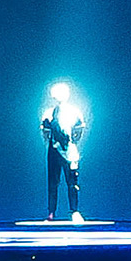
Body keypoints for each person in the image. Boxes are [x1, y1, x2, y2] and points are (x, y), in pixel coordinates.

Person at [41, 82, 87, 222]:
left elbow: (80, 128)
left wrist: (72, 142)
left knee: (72, 181)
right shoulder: (49, 113)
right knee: (53, 182)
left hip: (70, 150)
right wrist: (53, 143)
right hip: (54, 150)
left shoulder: (74, 111)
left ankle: (74, 210)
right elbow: (45, 131)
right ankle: (51, 212)